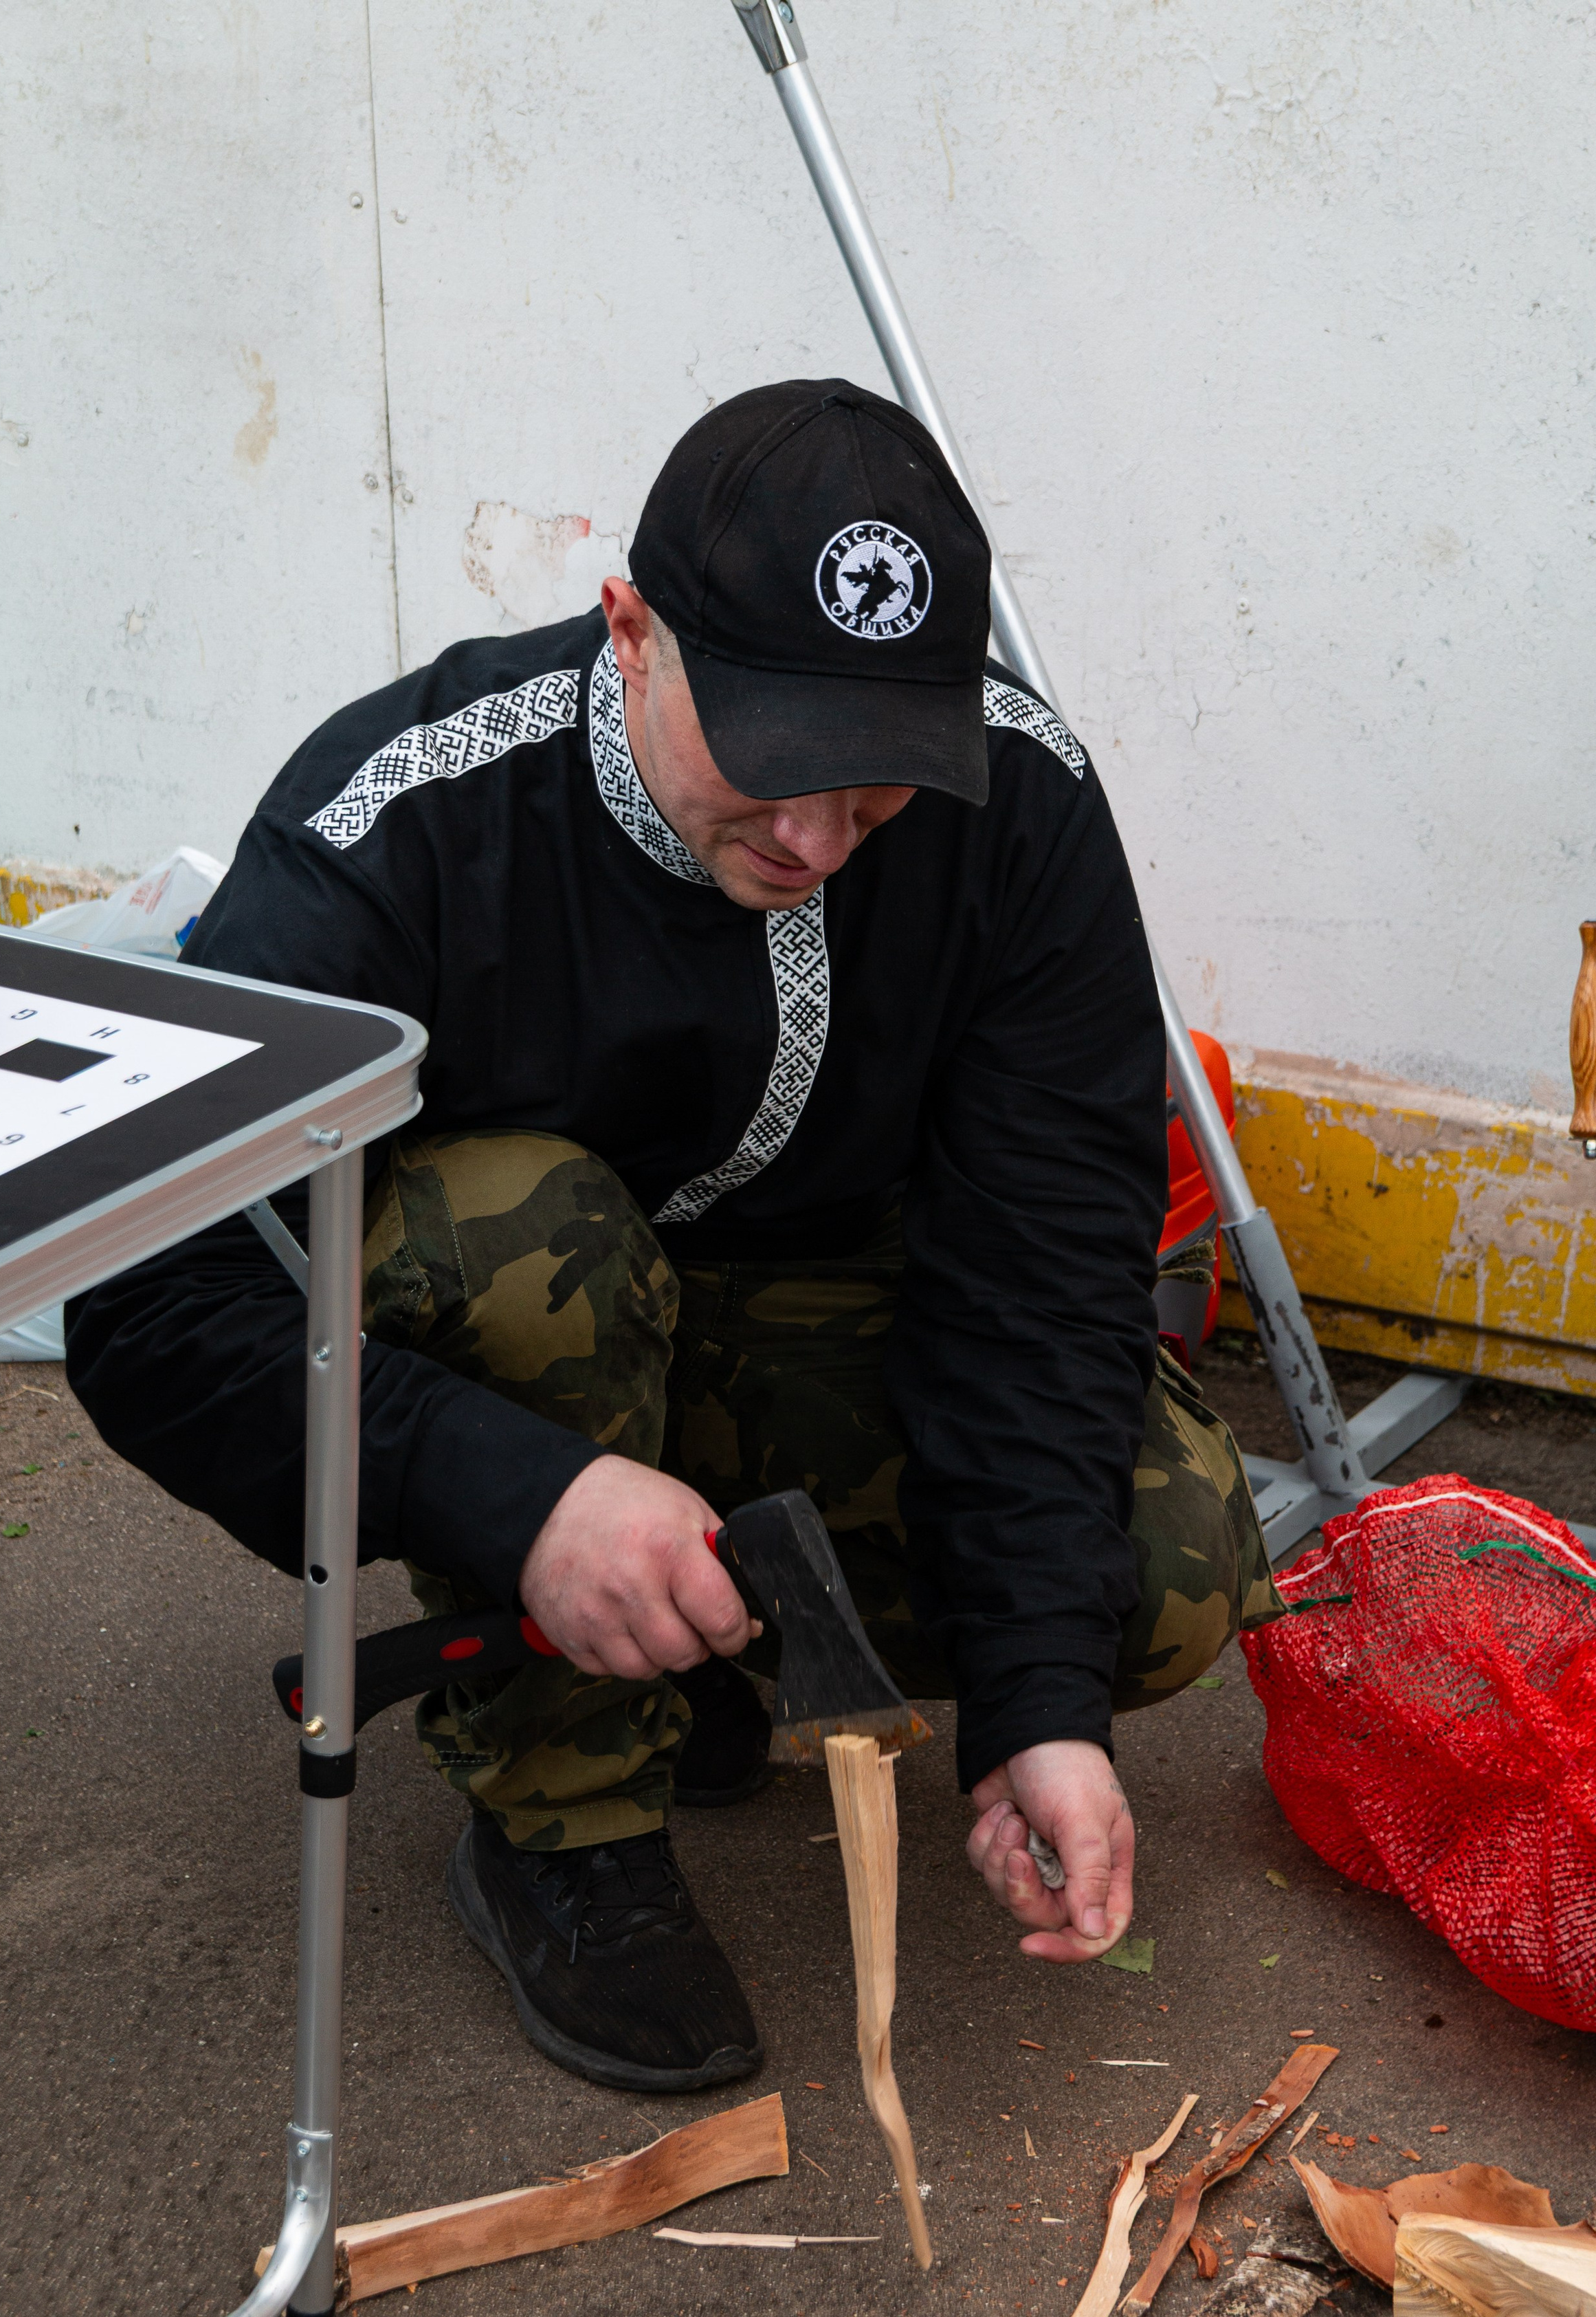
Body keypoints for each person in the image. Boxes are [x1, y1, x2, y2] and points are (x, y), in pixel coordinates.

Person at [68, 380, 1281, 2095]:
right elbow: (149, 1297)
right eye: (773, 764)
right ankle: (560, 1822)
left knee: (1160, 1567)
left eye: (876, 787)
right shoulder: (403, 822)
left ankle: (710, 1640)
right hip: (514, 1337)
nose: (814, 840)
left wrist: (1032, 1708)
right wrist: (520, 1497)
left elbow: (1046, 1265)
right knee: (526, 1231)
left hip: (805, 1320)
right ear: (628, 628)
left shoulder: (1023, 805)